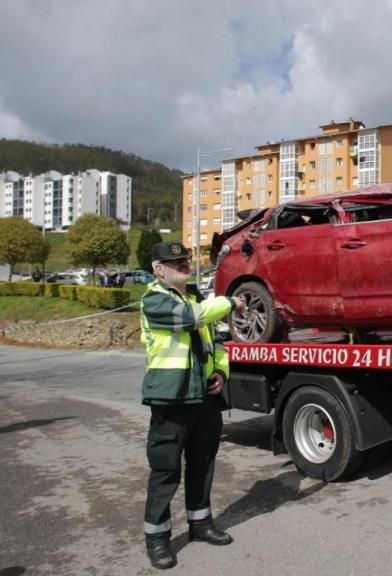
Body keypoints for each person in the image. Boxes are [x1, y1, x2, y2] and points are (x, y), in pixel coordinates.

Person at [139, 241, 246, 570]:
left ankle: (200, 523)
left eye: (185, 260)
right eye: (176, 262)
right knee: (165, 470)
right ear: (159, 269)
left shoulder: (197, 299)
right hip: (172, 399)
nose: (184, 265)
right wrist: (228, 301)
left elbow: (218, 344)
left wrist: (220, 374)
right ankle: (158, 540)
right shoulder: (155, 299)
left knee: (203, 465)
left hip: (204, 399)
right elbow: (190, 319)